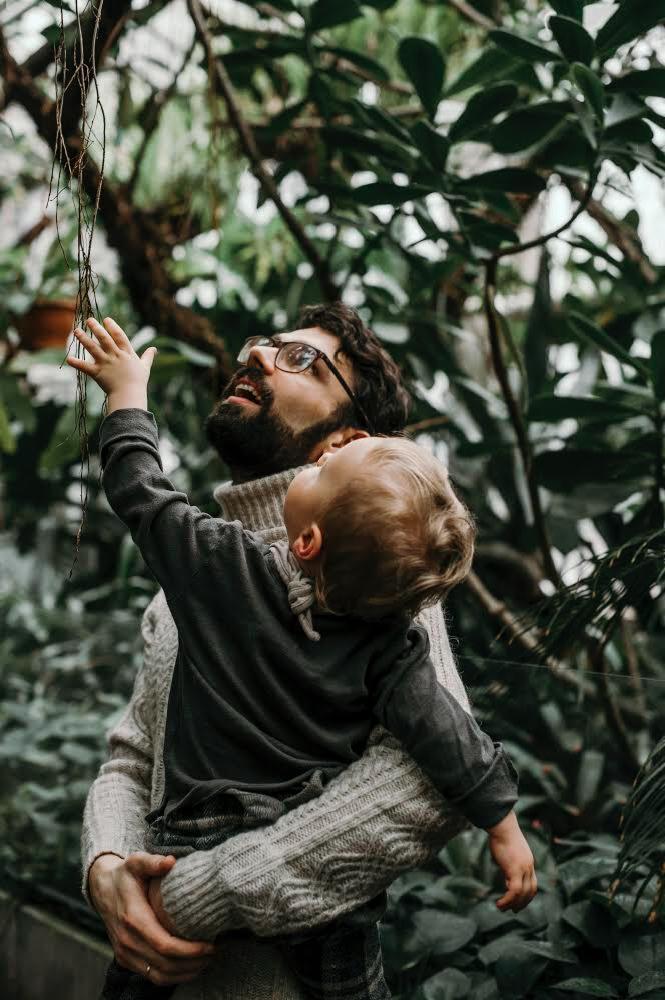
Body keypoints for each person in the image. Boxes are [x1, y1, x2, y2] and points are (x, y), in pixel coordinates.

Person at [67, 315, 535, 999]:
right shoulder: (195, 578)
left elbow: (425, 784)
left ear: (345, 441)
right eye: (262, 340)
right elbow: (134, 756)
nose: (255, 352)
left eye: (301, 360)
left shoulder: (385, 595)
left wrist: (194, 893)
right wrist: (108, 868)